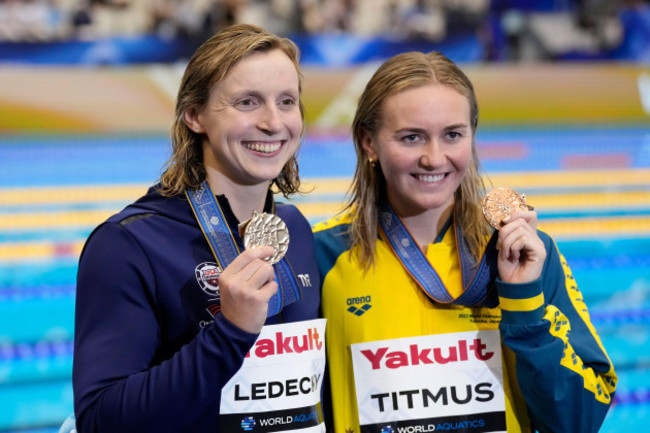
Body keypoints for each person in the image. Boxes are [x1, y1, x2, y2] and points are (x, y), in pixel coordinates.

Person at [313, 51, 616, 433]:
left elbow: (579, 420)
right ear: (369, 143)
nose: (434, 158)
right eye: (411, 137)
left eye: (452, 135)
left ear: (472, 137)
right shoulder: (323, 255)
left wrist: (524, 307)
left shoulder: (525, 253)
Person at [73, 24, 324, 432]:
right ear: (195, 115)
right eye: (247, 102)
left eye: (287, 101)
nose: (273, 122)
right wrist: (230, 333)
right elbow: (101, 419)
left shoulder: (294, 230)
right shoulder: (129, 244)